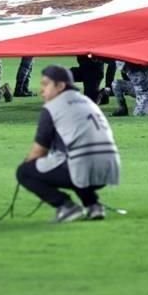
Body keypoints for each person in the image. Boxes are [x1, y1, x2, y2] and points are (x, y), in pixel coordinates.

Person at [15, 65, 120, 223]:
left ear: (60, 86)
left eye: (45, 84)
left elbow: (38, 152)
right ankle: (93, 205)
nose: (41, 90)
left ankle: (66, 206)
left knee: (24, 172)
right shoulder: (87, 102)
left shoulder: (53, 107)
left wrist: (28, 163)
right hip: (109, 169)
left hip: (83, 168)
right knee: (73, 159)